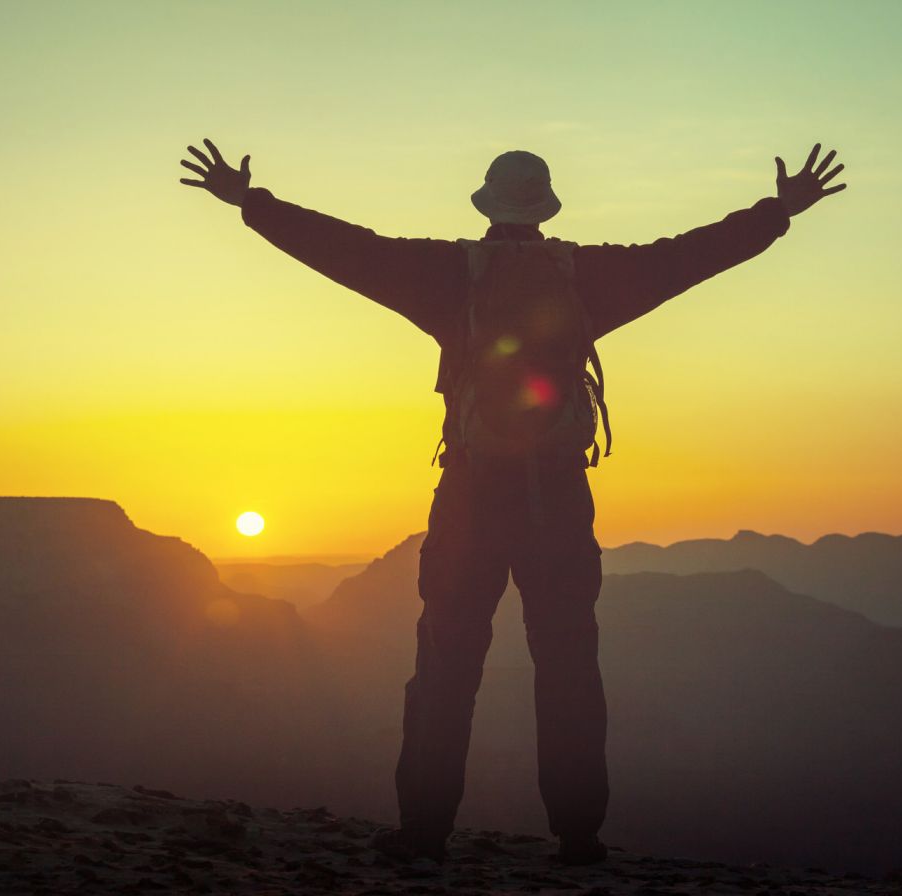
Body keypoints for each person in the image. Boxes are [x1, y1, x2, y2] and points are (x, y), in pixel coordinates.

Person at [178, 138, 846, 865]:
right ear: (545, 209)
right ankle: (579, 835)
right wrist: (778, 211)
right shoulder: (589, 277)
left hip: (470, 496)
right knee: (567, 663)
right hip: (557, 497)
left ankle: (425, 831)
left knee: (446, 661)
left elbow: (347, 250)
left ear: (488, 206)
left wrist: (251, 202)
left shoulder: (444, 275)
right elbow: (686, 257)